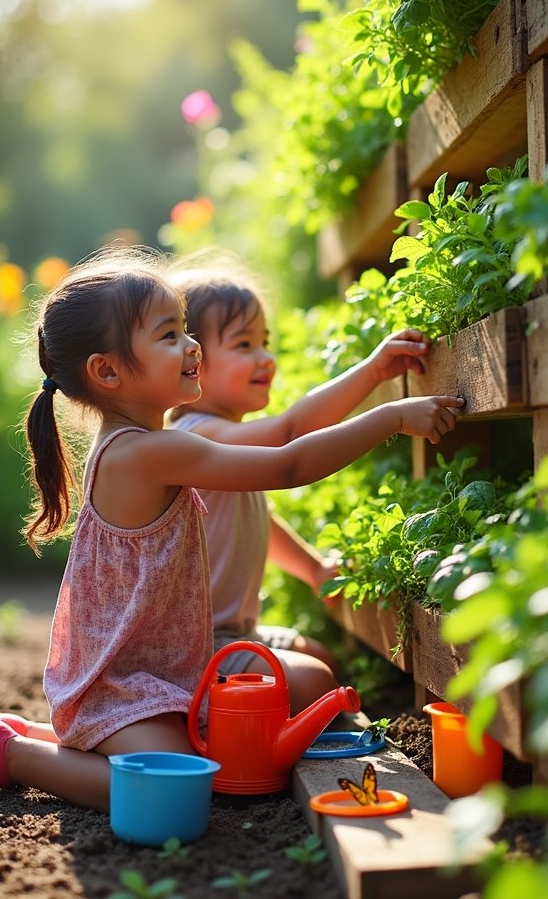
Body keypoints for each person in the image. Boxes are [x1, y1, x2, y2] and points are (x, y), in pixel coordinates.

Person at [0, 247, 463, 812]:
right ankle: (16, 753)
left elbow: (287, 439)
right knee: (180, 786)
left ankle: (34, 736)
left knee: (206, 758)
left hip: (163, 671)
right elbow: (288, 461)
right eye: (169, 336)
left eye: (186, 330)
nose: (190, 346)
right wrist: (390, 415)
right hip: (124, 685)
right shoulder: (143, 453)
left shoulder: (155, 445)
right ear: (109, 371)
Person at [167, 264, 433, 710]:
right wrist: (375, 377)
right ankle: (205, 729)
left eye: (265, 342)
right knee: (314, 683)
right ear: (193, 360)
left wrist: (313, 569)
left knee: (317, 660)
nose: (265, 357)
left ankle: (242, 718)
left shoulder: (223, 444)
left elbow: (257, 522)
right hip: (193, 653)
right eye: (244, 344)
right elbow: (293, 431)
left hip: (233, 635)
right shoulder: (198, 436)